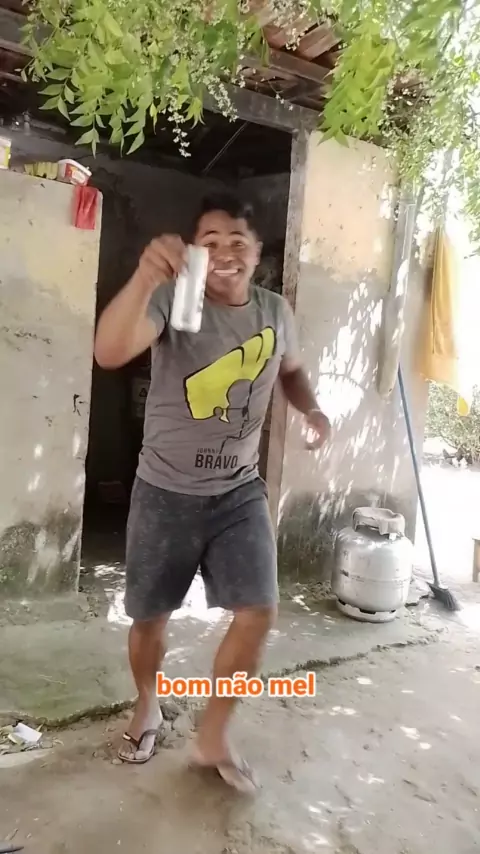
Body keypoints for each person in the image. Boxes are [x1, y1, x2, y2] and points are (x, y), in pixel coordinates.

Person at [94, 192, 331, 793]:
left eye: (237, 242)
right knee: (150, 619)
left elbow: (291, 370)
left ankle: (214, 736)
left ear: (257, 253)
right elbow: (110, 351)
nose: (226, 252)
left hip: (238, 492)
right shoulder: (174, 300)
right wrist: (145, 276)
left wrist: (311, 410)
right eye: (211, 242)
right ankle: (147, 704)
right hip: (164, 490)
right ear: (194, 251)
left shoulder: (275, 311)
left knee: (259, 611)